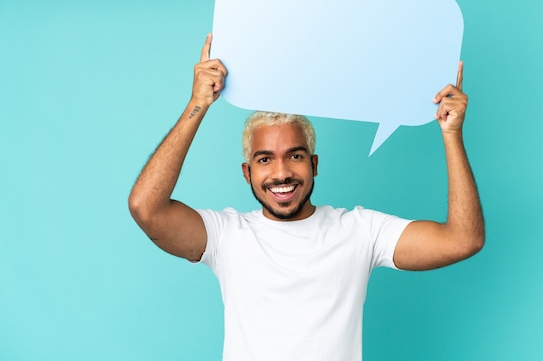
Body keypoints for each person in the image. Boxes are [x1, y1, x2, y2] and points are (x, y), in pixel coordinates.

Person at [128, 33, 485, 361]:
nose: (281, 172)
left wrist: (452, 133)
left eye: (295, 156)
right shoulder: (226, 235)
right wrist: (198, 104)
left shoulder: (360, 230)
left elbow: (462, 239)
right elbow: (146, 207)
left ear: (314, 165)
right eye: (264, 159)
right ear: (247, 172)